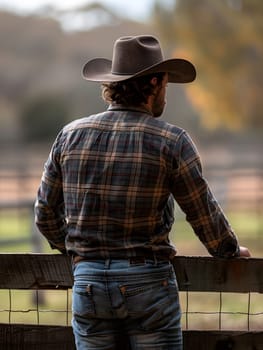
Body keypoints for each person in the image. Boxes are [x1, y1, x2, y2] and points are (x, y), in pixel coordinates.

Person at [35, 35, 251, 350]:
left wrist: (77, 251)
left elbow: (44, 214)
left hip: (89, 284)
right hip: (148, 282)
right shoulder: (172, 140)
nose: (166, 94)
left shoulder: (70, 135)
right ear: (153, 84)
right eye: (165, 84)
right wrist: (229, 251)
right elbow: (202, 213)